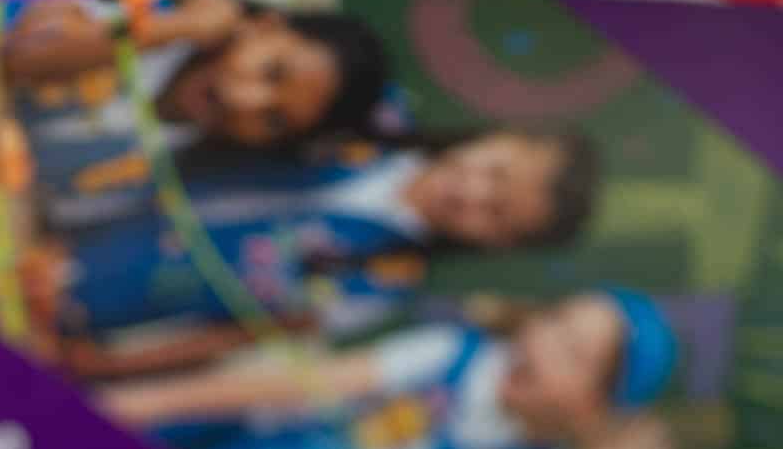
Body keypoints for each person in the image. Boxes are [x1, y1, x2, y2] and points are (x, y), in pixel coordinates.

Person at [101, 290, 677, 449]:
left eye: (573, 355)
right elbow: (296, 386)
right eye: (555, 320)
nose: (543, 342)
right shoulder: (451, 355)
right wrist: (148, 403)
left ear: (590, 409)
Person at [50, 125, 600, 376]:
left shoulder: (382, 283)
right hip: (75, 181)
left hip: (96, 301)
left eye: (495, 213)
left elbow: (233, 337)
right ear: (496, 135)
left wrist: (108, 363)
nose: (472, 193)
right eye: (495, 171)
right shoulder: (362, 116)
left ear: (496, 245)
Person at [4, 0, 389, 232]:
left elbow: (44, 222)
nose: (243, 101)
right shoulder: (146, 9)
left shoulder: (169, 174)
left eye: (274, 120)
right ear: (262, 27)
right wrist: (182, 25)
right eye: (272, 72)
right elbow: (18, 56)